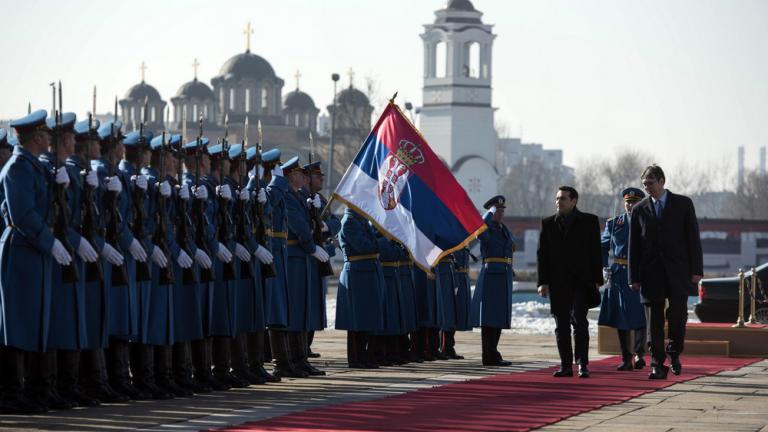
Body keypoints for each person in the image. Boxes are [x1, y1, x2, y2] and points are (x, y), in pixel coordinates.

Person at [629, 165, 703, 380]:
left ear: (662, 181)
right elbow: (635, 246)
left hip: (678, 272)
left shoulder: (683, 204)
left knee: (678, 317)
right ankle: (657, 363)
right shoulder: (640, 209)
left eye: (650, 183)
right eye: (645, 184)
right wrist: (633, 277)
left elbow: (693, 239)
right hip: (651, 274)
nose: (647, 188)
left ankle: (674, 353)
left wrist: (696, 270)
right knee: (654, 322)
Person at [537, 186, 603, 378]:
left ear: (574, 201)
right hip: (557, 284)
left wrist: (597, 280)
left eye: (563, 199)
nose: (559, 202)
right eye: (557, 198)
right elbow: (542, 255)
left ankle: (582, 363)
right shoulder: (548, 223)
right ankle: (566, 365)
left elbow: (595, 253)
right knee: (561, 324)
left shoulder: (589, 221)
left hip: (581, 282)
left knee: (579, 322)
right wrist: (543, 282)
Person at [598, 187, 647, 371]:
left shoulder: (647, 221)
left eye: (634, 202)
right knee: (621, 317)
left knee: (642, 315)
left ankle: (640, 354)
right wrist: (604, 267)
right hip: (619, 274)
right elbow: (602, 247)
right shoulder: (614, 223)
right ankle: (626, 358)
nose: (630, 205)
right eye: (628, 202)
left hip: (640, 273)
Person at [471, 195, 514, 366]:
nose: (501, 214)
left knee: (499, 317)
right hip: (491, 276)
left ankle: (493, 352)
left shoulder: (503, 229)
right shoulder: (486, 229)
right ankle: (488, 355)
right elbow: (479, 233)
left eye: (502, 210)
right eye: (497, 211)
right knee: (489, 318)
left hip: (503, 275)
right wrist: (488, 215)